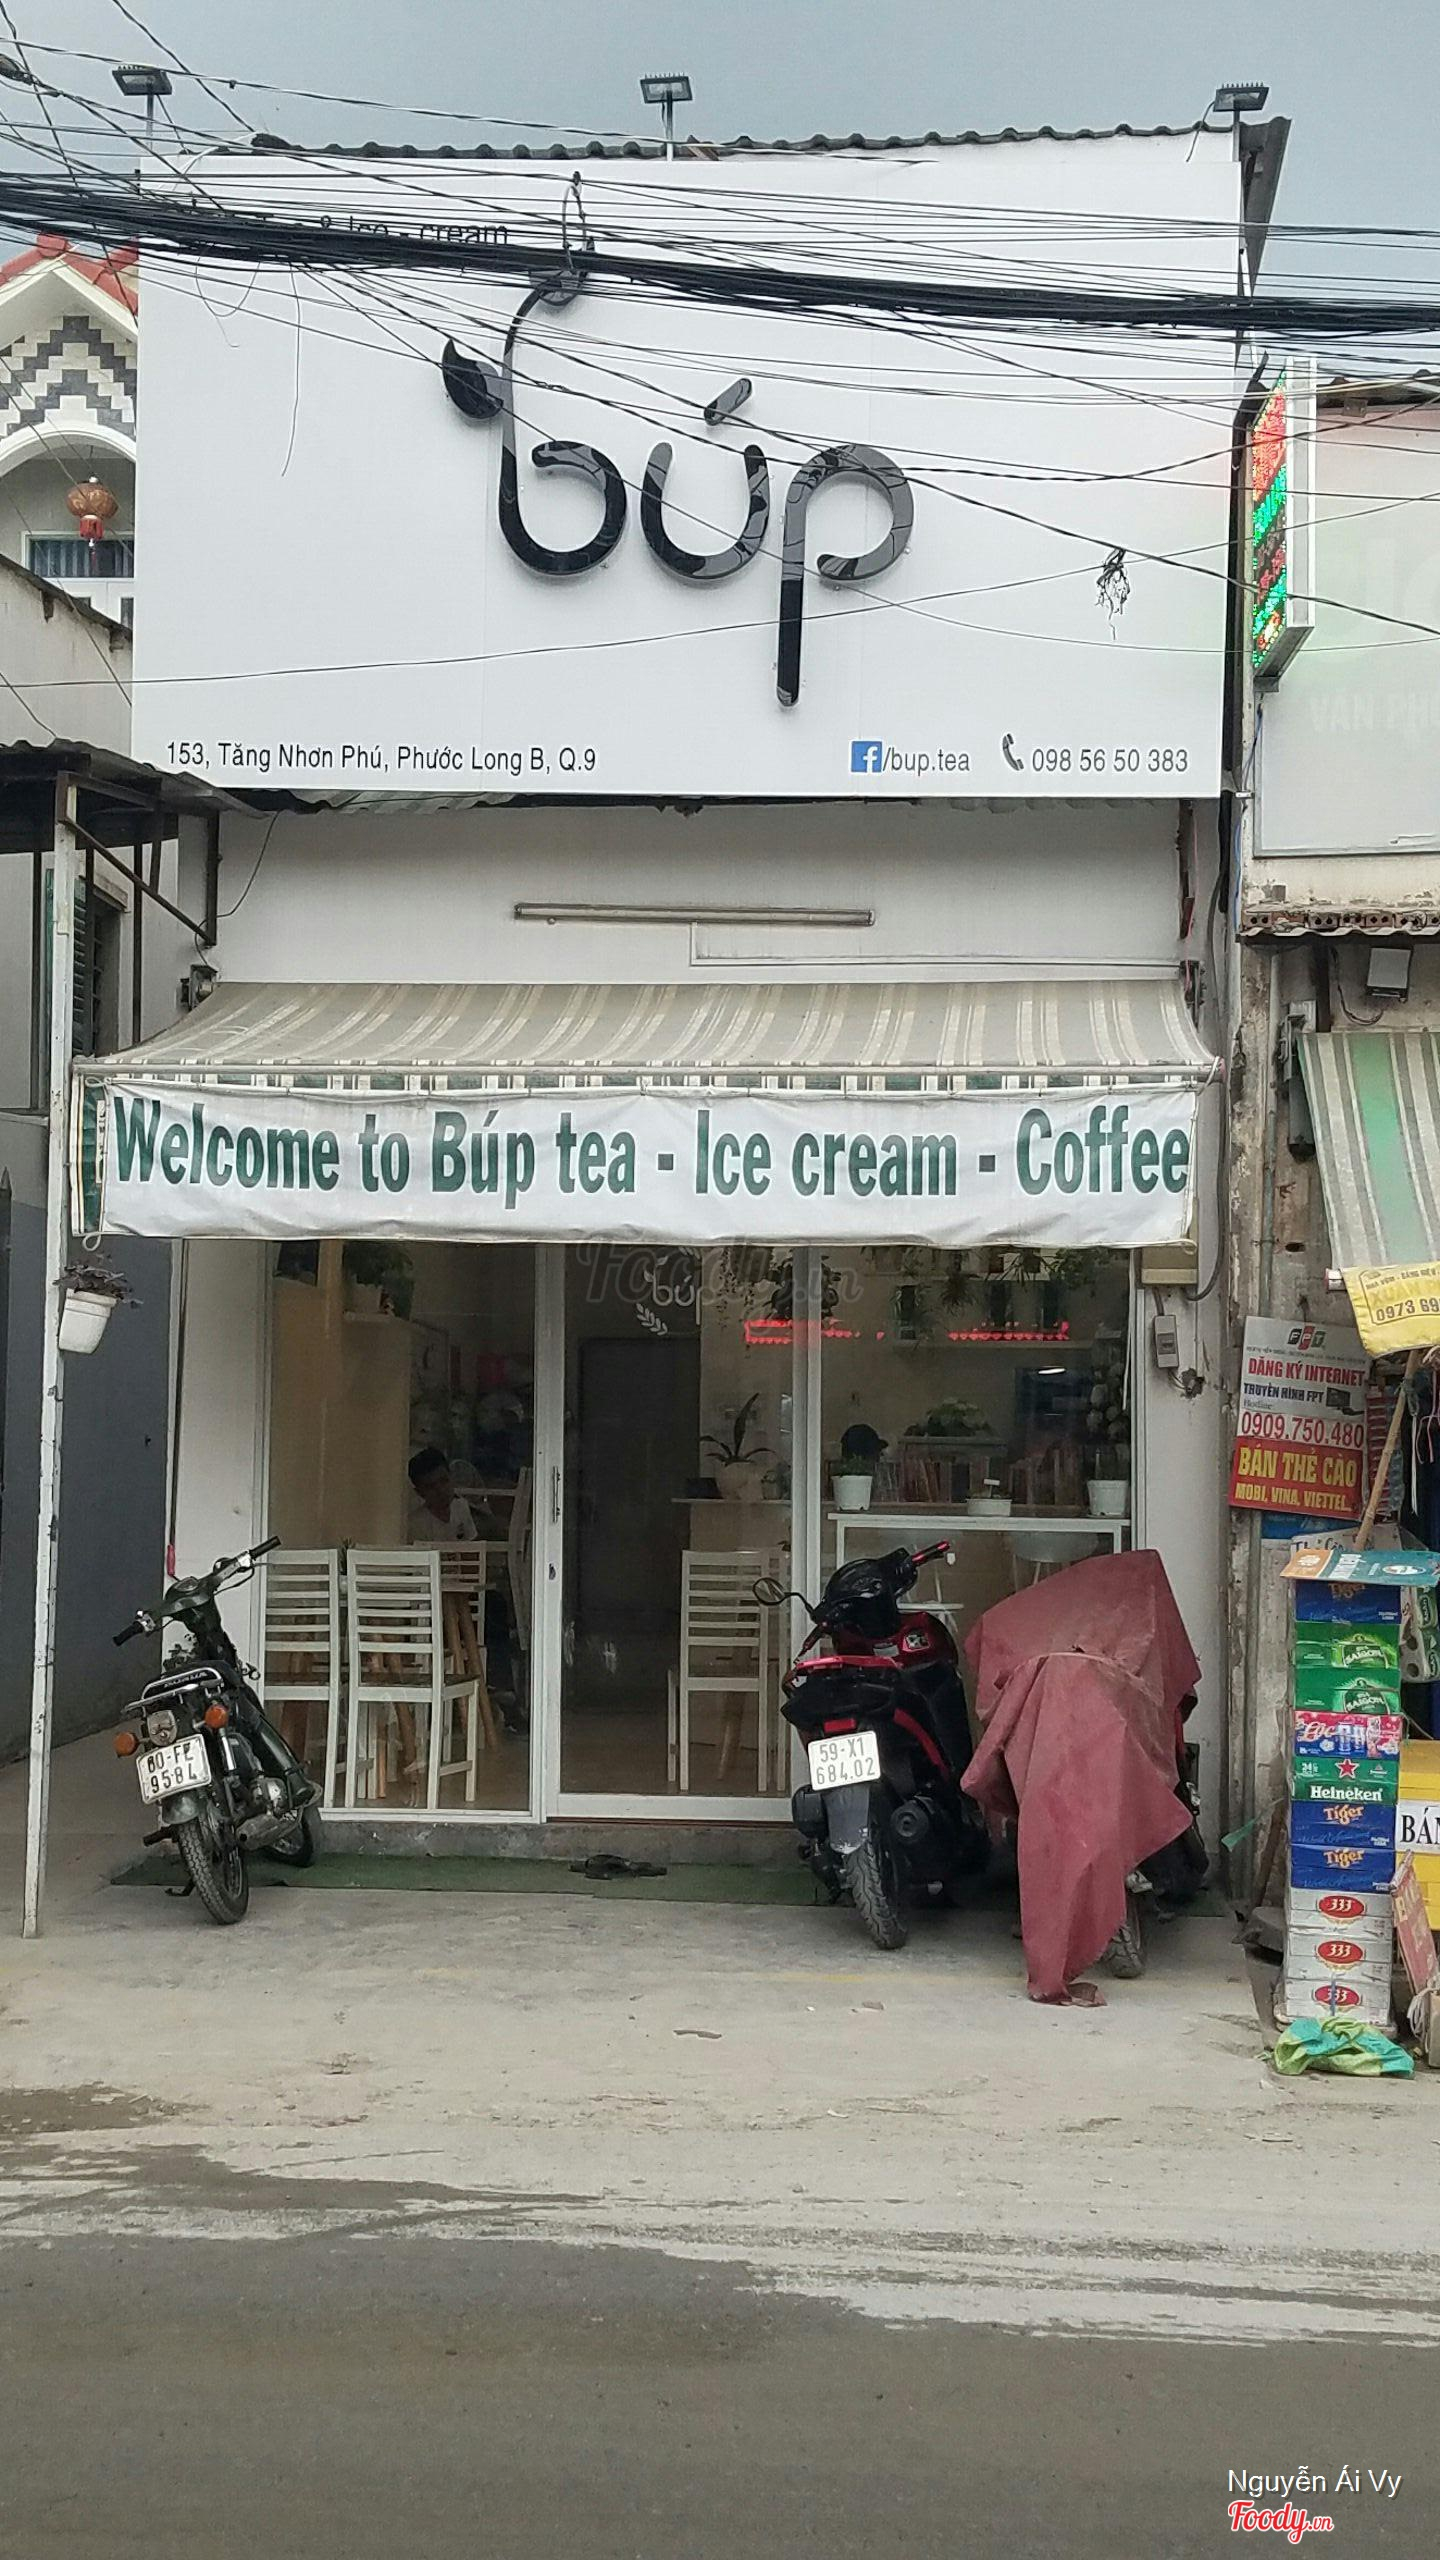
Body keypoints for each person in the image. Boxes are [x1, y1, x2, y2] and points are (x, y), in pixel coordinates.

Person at [407, 1446, 481, 1544]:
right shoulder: (415, 1524)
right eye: (431, 1486)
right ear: (419, 1492)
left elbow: (472, 1546)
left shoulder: (461, 1507)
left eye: (444, 1480)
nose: (441, 1490)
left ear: (451, 1476)